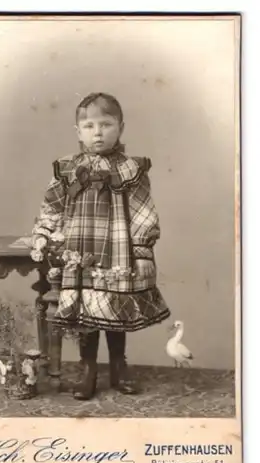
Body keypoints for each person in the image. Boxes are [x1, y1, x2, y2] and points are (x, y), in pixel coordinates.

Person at [30, 92, 170, 400]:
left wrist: (142, 248)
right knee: (86, 310)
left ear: (120, 127)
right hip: (81, 250)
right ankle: (88, 369)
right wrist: (45, 233)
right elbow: (51, 205)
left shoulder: (131, 170)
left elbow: (143, 210)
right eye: (90, 125)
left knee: (114, 308)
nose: (98, 132)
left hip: (118, 250)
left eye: (106, 124)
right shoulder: (69, 168)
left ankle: (119, 366)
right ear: (78, 131)